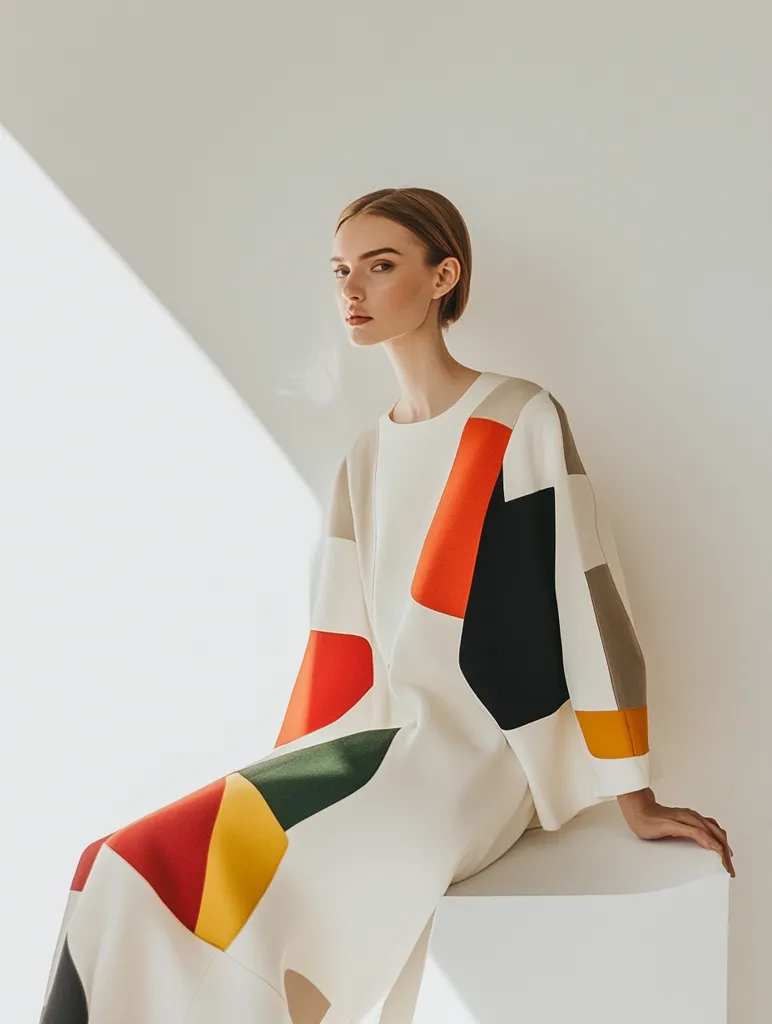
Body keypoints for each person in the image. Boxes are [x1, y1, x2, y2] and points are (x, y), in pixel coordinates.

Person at [39, 187, 734, 1024]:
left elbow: (585, 599)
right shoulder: (366, 457)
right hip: (376, 742)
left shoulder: (516, 419)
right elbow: (339, 648)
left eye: (381, 265)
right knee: (110, 866)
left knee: (174, 875)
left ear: (444, 277)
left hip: (474, 759)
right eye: (341, 271)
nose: (352, 292)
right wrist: (287, 776)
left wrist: (634, 792)